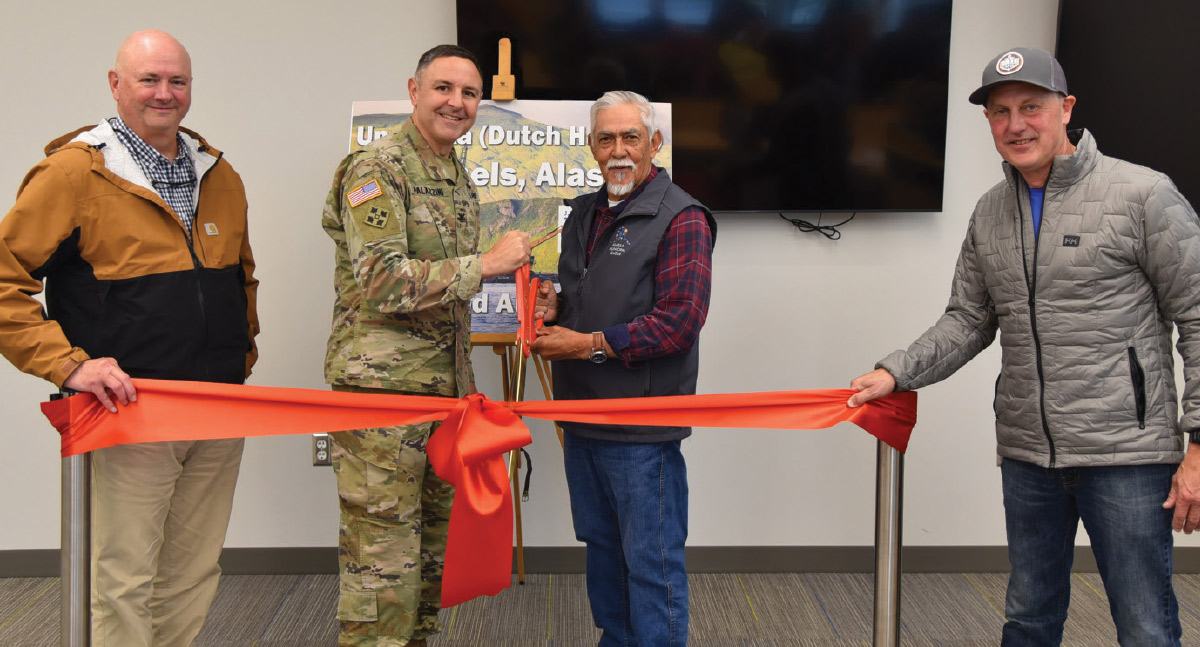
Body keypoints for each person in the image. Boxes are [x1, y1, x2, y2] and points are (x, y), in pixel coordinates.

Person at [848, 47, 1200, 647]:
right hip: (1028, 455)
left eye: (1031, 107)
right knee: (1030, 618)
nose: (1016, 125)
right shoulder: (990, 212)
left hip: (1127, 457)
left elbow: (1196, 316)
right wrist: (896, 372)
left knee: (1144, 624)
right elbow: (967, 319)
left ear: (1066, 109)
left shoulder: (1143, 195)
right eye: (1000, 112)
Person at [0, 30, 259, 646]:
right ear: (116, 85)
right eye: (149, 79)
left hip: (217, 408)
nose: (164, 93)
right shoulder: (71, 174)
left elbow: (239, 278)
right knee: (121, 577)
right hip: (126, 412)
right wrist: (68, 366)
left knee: (192, 571)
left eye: (177, 81)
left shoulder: (218, 173)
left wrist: (238, 357)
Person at [321, 44, 530, 647]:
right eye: (443, 88)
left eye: (468, 93)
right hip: (380, 397)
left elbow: (445, 288)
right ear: (414, 92)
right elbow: (382, 281)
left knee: (428, 558)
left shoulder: (455, 174)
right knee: (380, 561)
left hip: (444, 396)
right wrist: (488, 263)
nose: (456, 103)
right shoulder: (377, 169)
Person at [531, 90, 716, 647]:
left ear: (654, 144)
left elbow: (679, 323)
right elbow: (579, 291)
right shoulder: (583, 212)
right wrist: (553, 304)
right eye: (605, 138)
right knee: (604, 558)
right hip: (581, 419)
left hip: (641, 432)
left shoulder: (682, 217)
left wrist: (585, 343)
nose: (617, 150)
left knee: (651, 567)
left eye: (630, 137)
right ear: (591, 146)